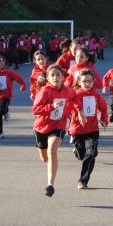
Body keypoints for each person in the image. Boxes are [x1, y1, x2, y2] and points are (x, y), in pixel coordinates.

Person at [32, 64, 77, 197]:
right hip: (41, 127)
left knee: (52, 150)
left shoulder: (68, 90)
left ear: (63, 77)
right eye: (52, 75)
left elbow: (75, 98)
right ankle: (48, 161)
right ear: (47, 78)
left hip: (58, 125)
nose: (55, 77)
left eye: (58, 75)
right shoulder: (44, 91)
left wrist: (77, 112)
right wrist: (52, 106)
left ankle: (50, 184)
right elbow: (35, 110)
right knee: (44, 158)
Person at [69, 70, 108, 189]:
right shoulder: (75, 95)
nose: (87, 83)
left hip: (92, 130)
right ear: (79, 82)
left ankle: (83, 181)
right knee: (83, 156)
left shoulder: (97, 96)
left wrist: (103, 120)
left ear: (93, 82)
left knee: (90, 154)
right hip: (77, 130)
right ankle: (77, 151)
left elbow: (103, 108)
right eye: (84, 81)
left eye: (89, 81)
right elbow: (70, 106)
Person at [0, 55, 27, 139]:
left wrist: (23, 85)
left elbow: (18, 77)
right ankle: (0, 133)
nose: (1, 63)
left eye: (2, 61)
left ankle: (6, 111)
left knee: (2, 110)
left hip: (6, 95)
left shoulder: (8, 72)